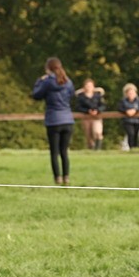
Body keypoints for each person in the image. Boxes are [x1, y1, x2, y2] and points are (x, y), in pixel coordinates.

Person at [31, 57, 75, 185]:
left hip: (53, 120)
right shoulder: (68, 81)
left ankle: (57, 178)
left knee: (54, 152)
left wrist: (39, 81)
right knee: (64, 151)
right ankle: (66, 177)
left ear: (48, 68)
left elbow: (36, 95)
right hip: (67, 120)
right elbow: (71, 95)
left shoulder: (47, 82)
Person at [75, 78, 105, 150]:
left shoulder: (98, 96)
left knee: (97, 132)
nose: (89, 87)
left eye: (90, 86)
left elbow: (103, 105)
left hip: (96, 117)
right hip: (86, 117)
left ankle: (98, 149)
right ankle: (91, 149)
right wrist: (87, 111)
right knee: (88, 135)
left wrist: (97, 111)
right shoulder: (81, 97)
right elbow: (78, 107)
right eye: (87, 86)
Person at [118, 83, 139, 149]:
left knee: (136, 135)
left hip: (138, 121)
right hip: (127, 121)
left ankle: (135, 148)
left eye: (132, 92)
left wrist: (135, 111)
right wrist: (126, 111)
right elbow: (119, 108)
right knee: (131, 134)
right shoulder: (123, 101)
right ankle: (131, 147)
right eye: (129, 93)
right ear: (126, 93)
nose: (131, 94)